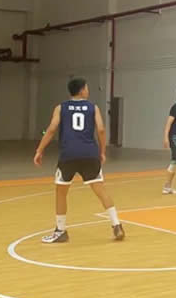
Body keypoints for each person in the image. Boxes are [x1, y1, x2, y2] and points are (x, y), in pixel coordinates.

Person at [34, 77, 124, 243]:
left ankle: (61, 230)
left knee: (61, 192)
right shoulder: (93, 107)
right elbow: (101, 130)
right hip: (89, 153)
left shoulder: (61, 108)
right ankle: (116, 225)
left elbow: (52, 129)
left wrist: (40, 150)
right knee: (100, 189)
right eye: (87, 87)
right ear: (82, 90)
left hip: (68, 154)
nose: (88, 90)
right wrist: (102, 151)